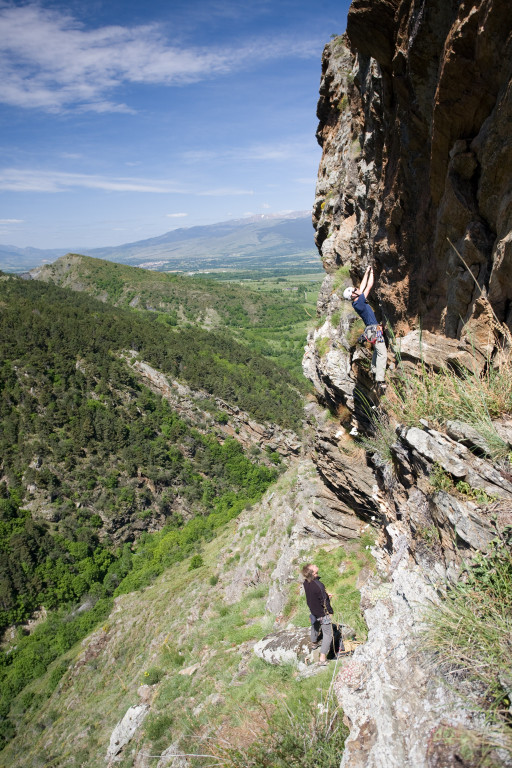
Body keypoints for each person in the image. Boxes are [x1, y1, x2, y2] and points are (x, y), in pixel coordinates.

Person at [342, 266, 387, 390]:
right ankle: (380, 380)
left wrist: (367, 272)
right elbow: (369, 286)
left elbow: (361, 287)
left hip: (370, 330)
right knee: (382, 353)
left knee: (377, 351)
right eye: (355, 289)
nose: (357, 289)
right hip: (374, 330)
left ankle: (373, 369)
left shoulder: (356, 301)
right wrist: (372, 273)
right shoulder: (360, 301)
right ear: (353, 294)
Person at [302, 563, 336, 665]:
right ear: (313, 572)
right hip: (322, 613)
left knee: (315, 625)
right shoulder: (319, 586)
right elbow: (324, 602)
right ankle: (322, 658)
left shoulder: (306, 582)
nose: (315, 565)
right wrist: (330, 612)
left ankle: (314, 643)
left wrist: (324, 595)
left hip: (313, 610)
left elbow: (316, 595)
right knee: (328, 634)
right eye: (313, 566)